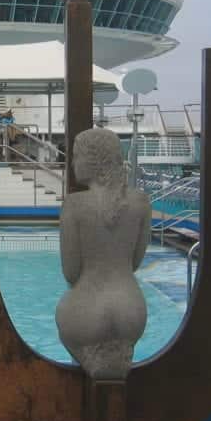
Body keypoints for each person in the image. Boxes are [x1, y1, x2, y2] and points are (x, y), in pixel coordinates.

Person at [55, 129, 151, 381]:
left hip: (84, 313)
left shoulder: (74, 205)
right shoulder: (141, 202)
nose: (73, 163)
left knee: (84, 377)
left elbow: (71, 272)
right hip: (131, 311)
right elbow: (135, 262)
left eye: (76, 156)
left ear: (93, 160)